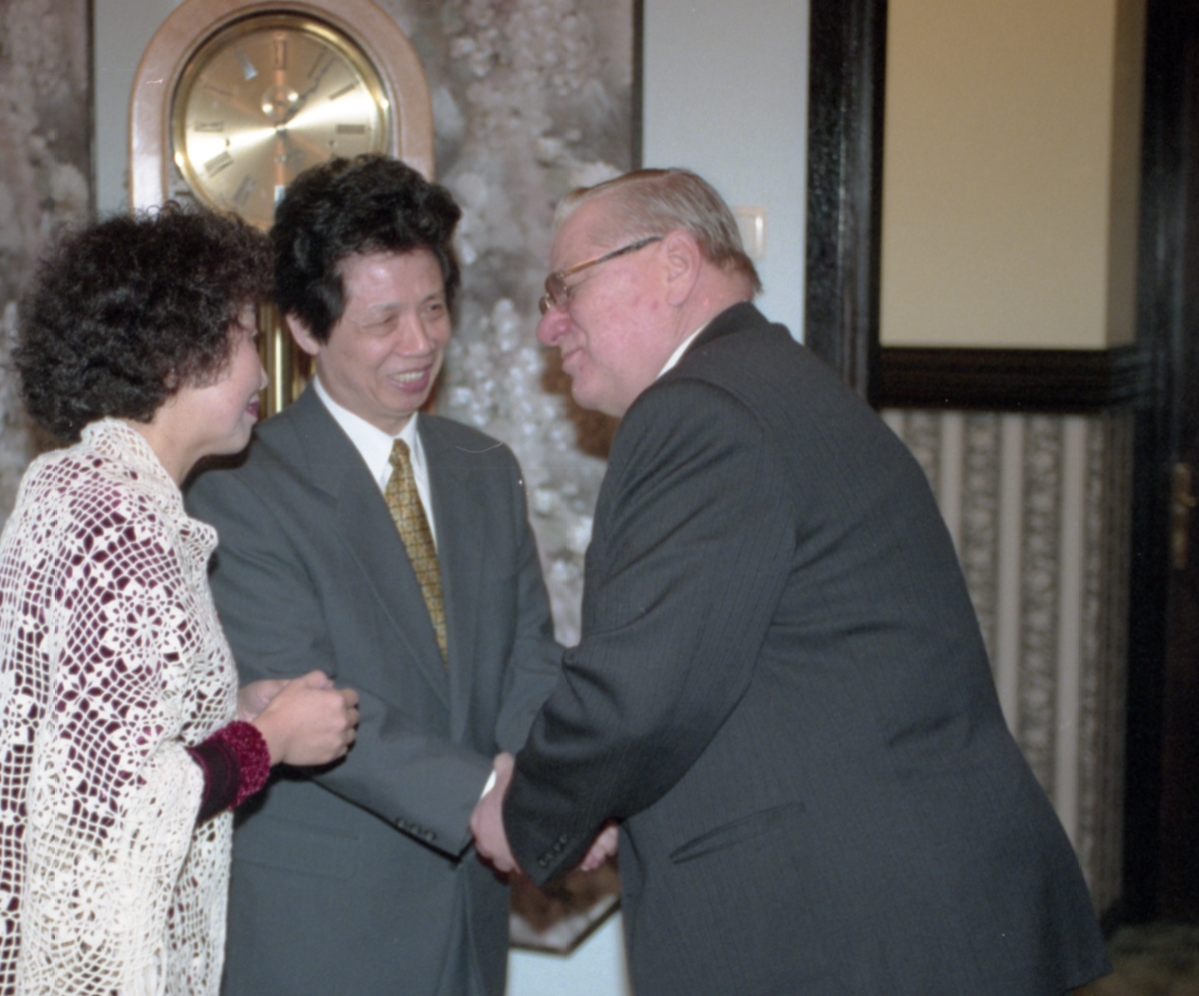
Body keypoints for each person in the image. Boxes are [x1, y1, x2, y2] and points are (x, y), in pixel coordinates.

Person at [467, 167, 1112, 994]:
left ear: (675, 264)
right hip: (909, 911)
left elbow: (640, 690)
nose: (549, 324)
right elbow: (729, 678)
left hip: (860, 930)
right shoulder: (768, 383)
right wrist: (597, 802)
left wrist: (527, 809)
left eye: (566, 287)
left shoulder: (700, 410)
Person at [0, 204, 360, 996]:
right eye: (247, 337)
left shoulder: (78, 490)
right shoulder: (122, 520)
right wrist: (270, 739)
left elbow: (102, 742)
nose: (263, 373)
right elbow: (120, 805)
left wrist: (233, 713)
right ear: (177, 354)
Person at [185, 155, 564, 996]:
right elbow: (307, 696)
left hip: (470, 917)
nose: (420, 342)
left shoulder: (484, 467)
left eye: (433, 308)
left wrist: (545, 783)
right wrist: (489, 794)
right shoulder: (238, 487)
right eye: (385, 319)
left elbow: (530, 655)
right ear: (306, 329)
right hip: (323, 935)